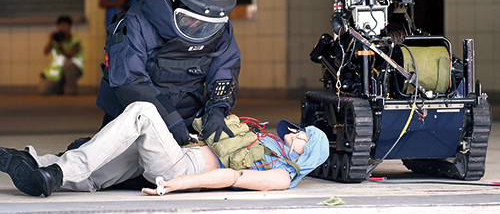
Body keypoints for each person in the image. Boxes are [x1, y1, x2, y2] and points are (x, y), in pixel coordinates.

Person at [0, 101, 329, 197]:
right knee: (100, 170)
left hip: (183, 170)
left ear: (307, 151)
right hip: (182, 154)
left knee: (142, 112)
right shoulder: (271, 144)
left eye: (302, 135)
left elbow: (232, 175)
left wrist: (175, 185)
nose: (295, 133)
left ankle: (56, 171)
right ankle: (35, 165)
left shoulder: (284, 175)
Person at [95, 0, 241, 148]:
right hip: (133, 124)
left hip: (190, 122)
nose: (198, 28)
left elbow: (225, 68)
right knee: (117, 172)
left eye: (208, 24)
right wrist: (168, 120)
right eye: (190, 19)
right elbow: (130, 81)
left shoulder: (220, 27)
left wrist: (218, 109)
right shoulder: (137, 23)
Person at [39, 15, 84, 95]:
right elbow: (45, 52)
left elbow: (70, 56)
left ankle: (71, 90)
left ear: (70, 26)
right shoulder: (56, 39)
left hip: (74, 68)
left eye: (65, 25)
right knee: (44, 91)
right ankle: (60, 87)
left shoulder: (75, 39)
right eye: (61, 25)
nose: (63, 27)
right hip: (58, 70)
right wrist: (51, 40)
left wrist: (60, 46)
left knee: (68, 66)